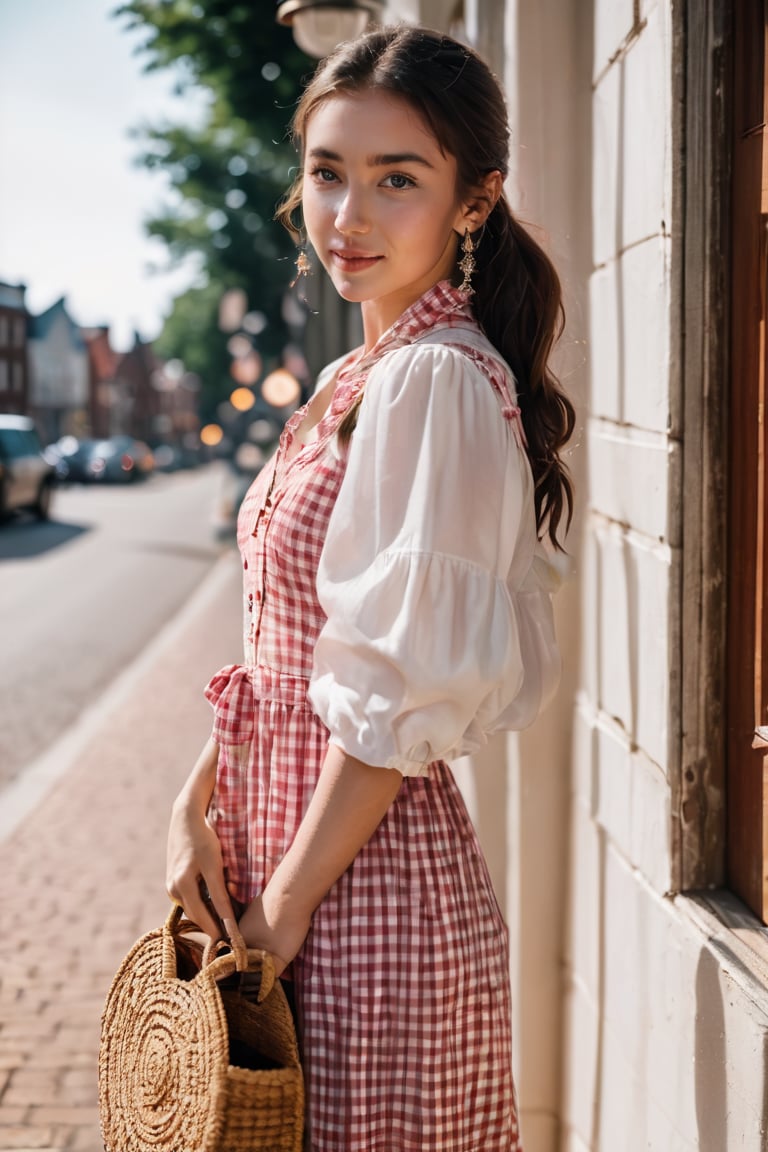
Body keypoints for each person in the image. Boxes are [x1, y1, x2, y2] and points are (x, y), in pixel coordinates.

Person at [166, 23, 574, 1152]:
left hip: (354, 900)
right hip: (284, 870)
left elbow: (392, 699)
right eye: (328, 172)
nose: (349, 216)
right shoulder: (362, 374)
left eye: (399, 180)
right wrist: (192, 810)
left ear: (474, 202)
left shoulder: (435, 382)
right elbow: (287, 652)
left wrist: (277, 917)